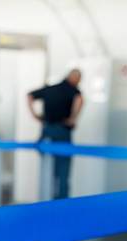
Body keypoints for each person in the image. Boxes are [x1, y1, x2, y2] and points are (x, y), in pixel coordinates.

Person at [27, 68, 84, 199]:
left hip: (46, 131)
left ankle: (45, 200)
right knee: (63, 169)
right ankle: (61, 204)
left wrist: (34, 115)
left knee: (46, 166)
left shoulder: (50, 89)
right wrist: (73, 118)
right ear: (75, 78)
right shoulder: (73, 91)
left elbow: (29, 95)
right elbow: (80, 100)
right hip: (62, 131)